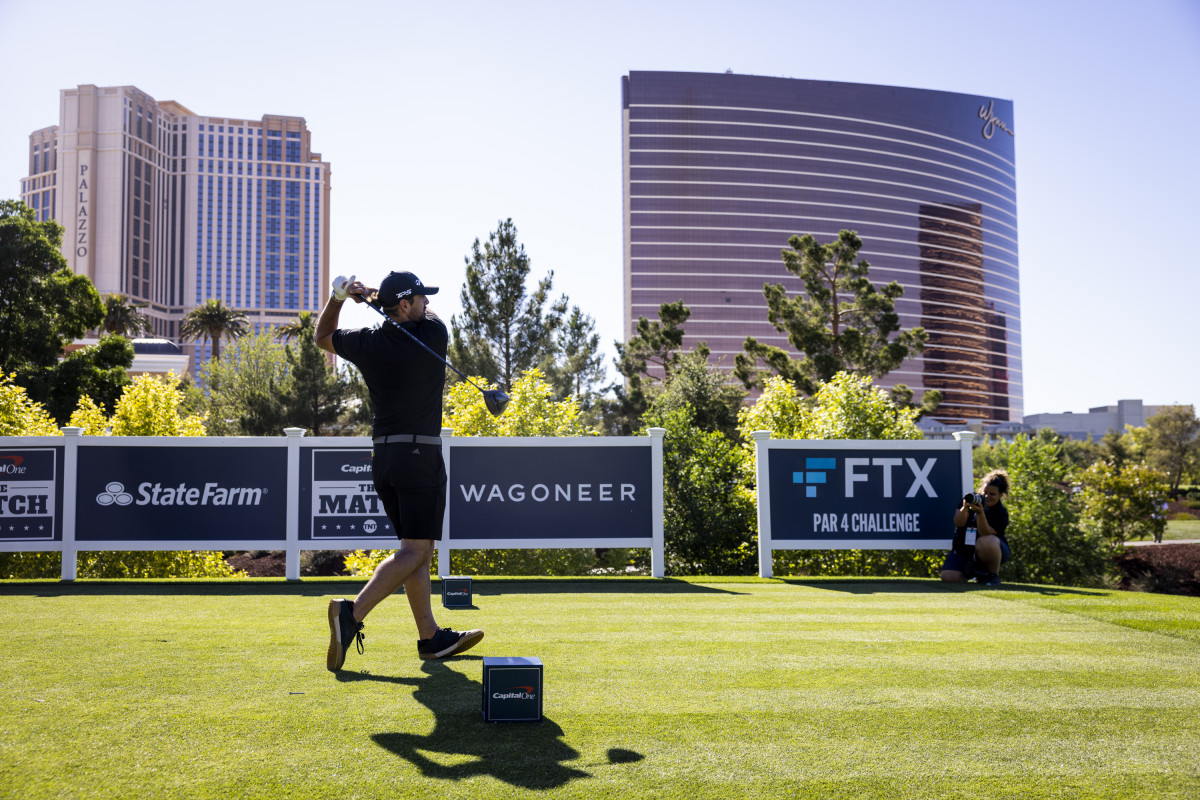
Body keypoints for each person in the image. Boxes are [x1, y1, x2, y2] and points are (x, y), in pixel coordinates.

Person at [315, 270, 483, 671]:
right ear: (406, 305)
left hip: (385, 460)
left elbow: (322, 337)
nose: (427, 303)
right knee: (415, 550)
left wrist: (340, 297)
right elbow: (430, 315)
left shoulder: (368, 342)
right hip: (419, 457)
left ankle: (430, 638)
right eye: (419, 298)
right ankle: (350, 615)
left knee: (415, 552)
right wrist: (373, 296)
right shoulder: (433, 334)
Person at [940, 470, 1011, 587]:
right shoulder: (970, 499)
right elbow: (958, 523)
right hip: (965, 549)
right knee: (949, 578)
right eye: (985, 492)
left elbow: (985, 533)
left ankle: (993, 575)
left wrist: (980, 513)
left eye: (992, 494)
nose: (987, 496)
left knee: (986, 541)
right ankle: (975, 574)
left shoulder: (1001, 513)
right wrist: (965, 508)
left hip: (990, 550)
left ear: (1001, 495)